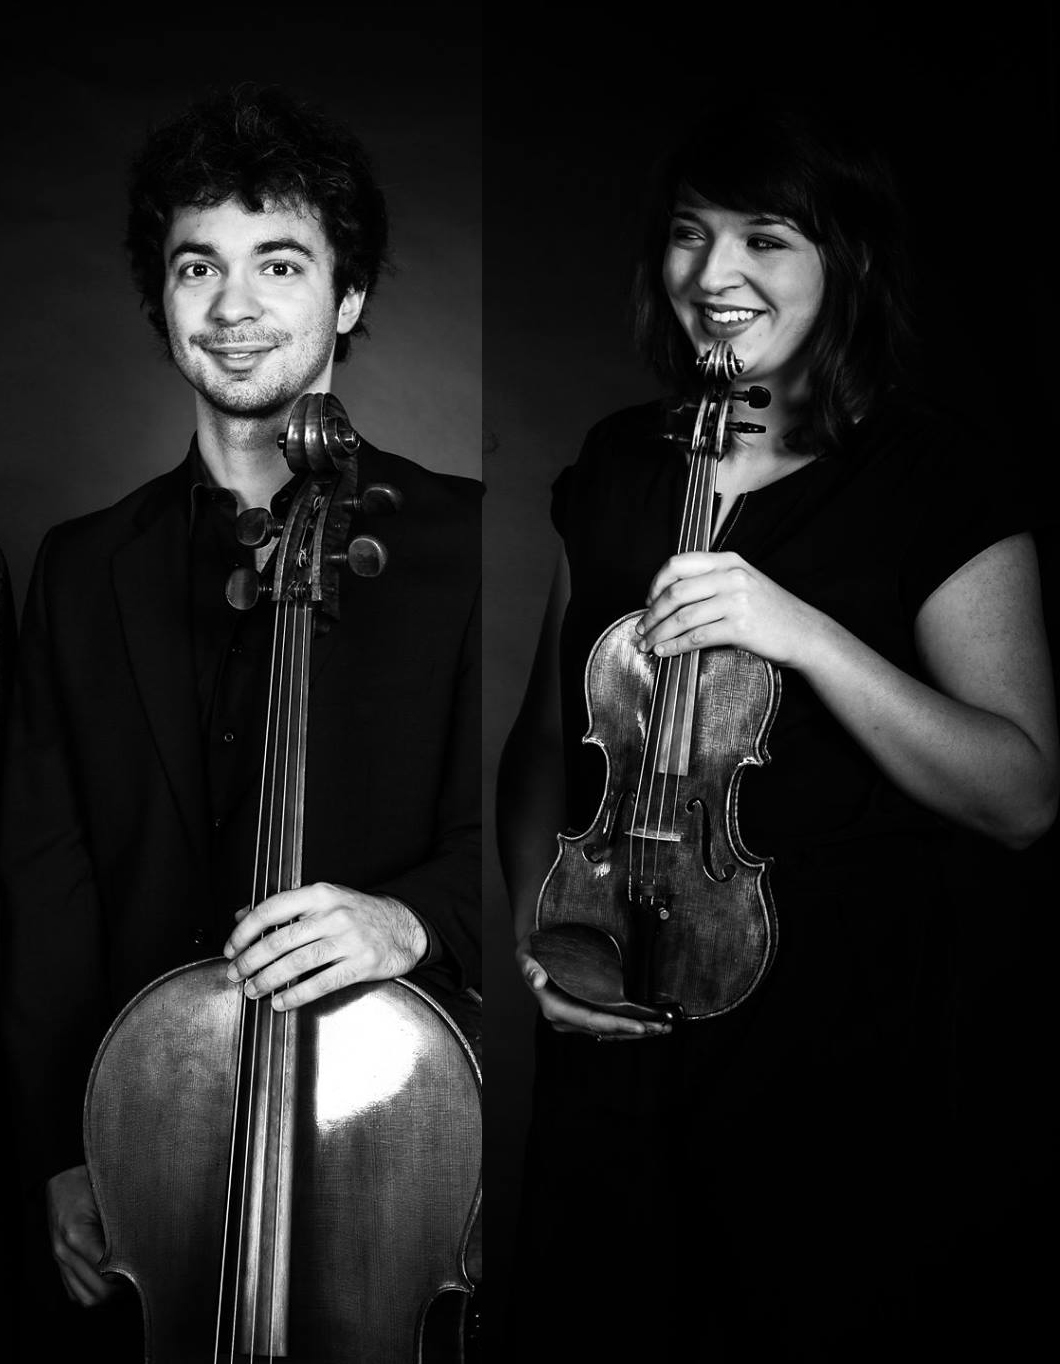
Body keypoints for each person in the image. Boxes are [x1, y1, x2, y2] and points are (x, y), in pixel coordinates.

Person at [497, 107, 1057, 1360]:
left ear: (842, 260)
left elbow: (1021, 794)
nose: (714, 274)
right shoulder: (617, 462)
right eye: (688, 235)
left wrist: (798, 628)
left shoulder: (931, 476)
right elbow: (546, 744)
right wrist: (545, 942)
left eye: (765, 237)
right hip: (617, 1009)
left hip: (835, 1051)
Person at [1, 85, 480, 1354]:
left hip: (382, 1130)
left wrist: (407, 919)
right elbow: (46, 877)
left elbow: (514, 832)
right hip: (141, 1140)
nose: (232, 306)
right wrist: (60, 1143)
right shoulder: (80, 565)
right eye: (196, 265)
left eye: (279, 263)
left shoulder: (469, 544)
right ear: (161, 300)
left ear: (348, 295)